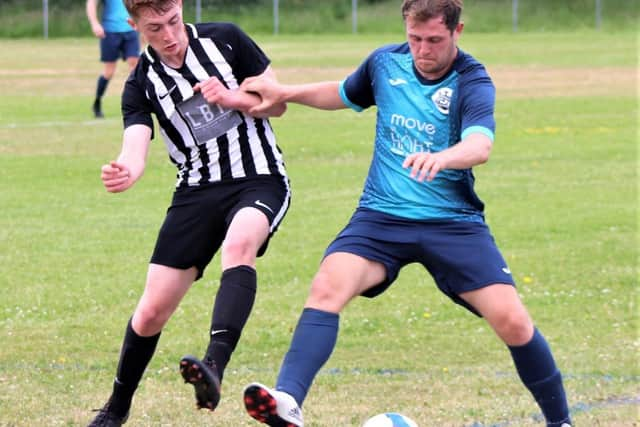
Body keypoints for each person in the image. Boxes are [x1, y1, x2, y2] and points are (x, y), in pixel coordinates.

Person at [239, 0, 572, 426]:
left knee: (512, 321)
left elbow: (480, 145)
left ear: (457, 31)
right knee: (326, 287)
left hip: (452, 222)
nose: (423, 50)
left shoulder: (472, 79)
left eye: (434, 40)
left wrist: (445, 158)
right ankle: (287, 401)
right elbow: (342, 93)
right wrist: (285, 93)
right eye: (415, 39)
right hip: (381, 218)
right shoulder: (385, 63)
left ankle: (559, 421)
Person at [87, 0, 290, 426]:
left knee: (239, 244)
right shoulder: (141, 82)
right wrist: (127, 169)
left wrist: (232, 96)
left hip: (259, 177)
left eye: (174, 21)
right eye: (155, 28)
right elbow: (136, 145)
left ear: (181, 7)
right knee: (150, 312)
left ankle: (213, 368)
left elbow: (276, 102)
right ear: (134, 25)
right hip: (196, 191)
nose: (169, 35)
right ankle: (116, 409)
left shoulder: (227, 40)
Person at [86, 0, 141, 118]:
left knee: (135, 68)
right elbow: (91, 3)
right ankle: (97, 101)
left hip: (131, 31)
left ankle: (136, 104)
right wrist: (95, 24)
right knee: (109, 72)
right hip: (110, 32)